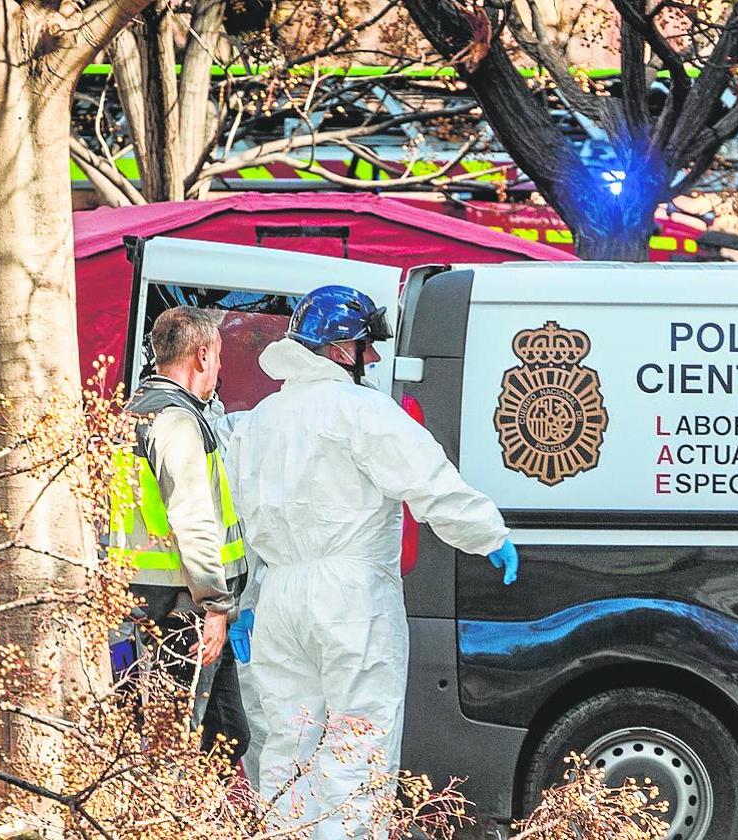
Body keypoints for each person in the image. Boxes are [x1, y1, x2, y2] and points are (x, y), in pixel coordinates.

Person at [225, 285, 519, 839]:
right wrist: (487, 533)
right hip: (350, 598)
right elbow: (428, 482)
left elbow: (245, 525)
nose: (376, 358)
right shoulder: (359, 411)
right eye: (368, 346)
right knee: (357, 743)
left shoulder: (258, 421)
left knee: (288, 743)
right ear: (340, 350)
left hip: (279, 600)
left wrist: (249, 600)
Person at [106, 306, 250, 763]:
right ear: (202, 357)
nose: (220, 370)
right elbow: (192, 516)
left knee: (222, 735)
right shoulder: (177, 422)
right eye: (220, 359)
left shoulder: (133, 413)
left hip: (143, 606)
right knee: (186, 747)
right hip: (183, 611)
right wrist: (214, 603)